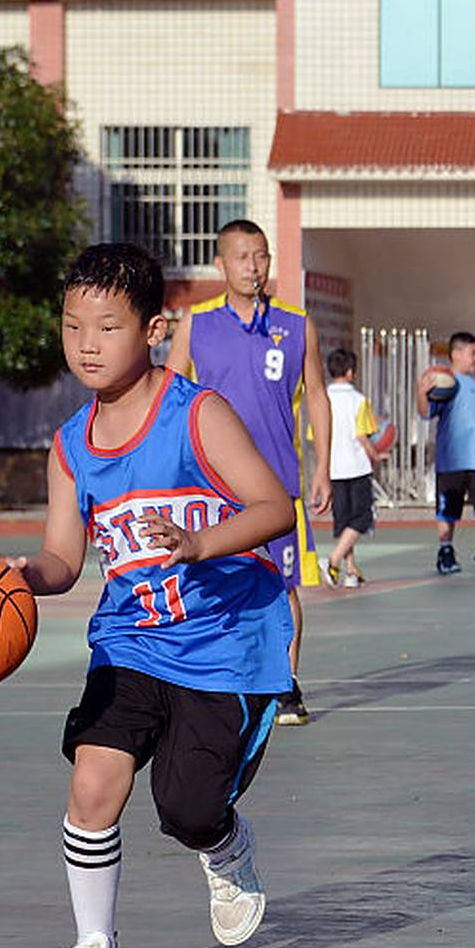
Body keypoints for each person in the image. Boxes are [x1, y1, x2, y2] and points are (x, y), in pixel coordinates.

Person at [14, 243, 297, 948]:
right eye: (73, 327)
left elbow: (274, 506)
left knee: (188, 811)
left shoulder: (197, 416)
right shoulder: (73, 446)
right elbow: (63, 558)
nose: (88, 344)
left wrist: (203, 541)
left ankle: (226, 844)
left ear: (154, 330)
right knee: (92, 781)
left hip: (221, 644)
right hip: (131, 641)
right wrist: (16, 580)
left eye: (107, 326)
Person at [166, 218, 331, 727]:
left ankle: (285, 685)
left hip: (279, 482)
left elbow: (318, 397)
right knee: (206, 583)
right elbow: (169, 395)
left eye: (261, 255)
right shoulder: (196, 322)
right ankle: (206, 684)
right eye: (242, 256)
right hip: (210, 484)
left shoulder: (296, 323)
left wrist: (323, 464)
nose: (253, 265)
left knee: (283, 587)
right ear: (221, 264)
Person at [416, 332, 475, 576]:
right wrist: (421, 393)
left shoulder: (473, 383)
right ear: (456, 354)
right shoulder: (444, 381)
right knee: (448, 508)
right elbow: (426, 413)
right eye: (472, 353)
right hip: (452, 458)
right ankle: (445, 551)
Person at [323, 348, 392, 588]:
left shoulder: (323, 398)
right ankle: (332, 560)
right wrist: (376, 455)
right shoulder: (359, 400)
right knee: (362, 518)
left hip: (333, 468)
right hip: (356, 467)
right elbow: (362, 435)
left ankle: (350, 570)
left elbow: (318, 436)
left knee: (344, 522)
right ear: (351, 372)